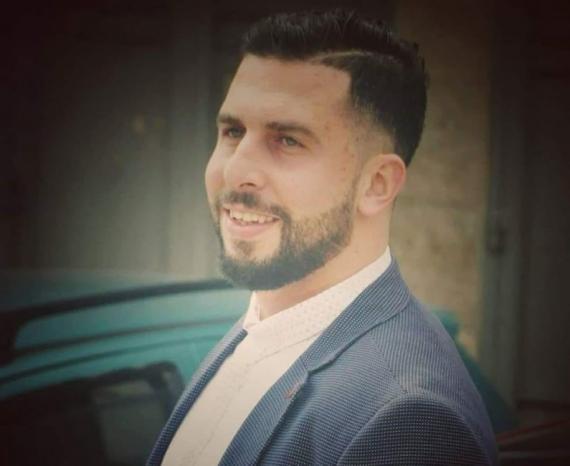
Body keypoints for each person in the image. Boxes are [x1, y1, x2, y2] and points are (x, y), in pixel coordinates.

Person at [148, 9, 497, 466]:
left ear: (376, 184)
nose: (234, 171)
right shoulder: (264, 322)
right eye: (233, 131)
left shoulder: (409, 417)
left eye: (287, 141)